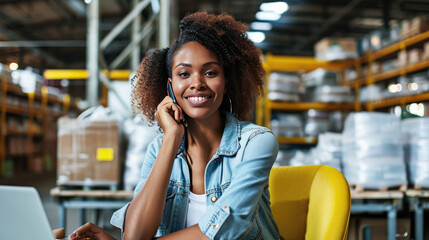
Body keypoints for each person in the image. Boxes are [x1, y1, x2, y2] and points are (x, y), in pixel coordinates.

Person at [69, 12, 280, 240]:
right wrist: (171, 139)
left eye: (210, 72)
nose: (197, 83)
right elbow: (134, 235)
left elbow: (225, 230)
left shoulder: (256, 143)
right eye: (184, 74)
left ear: (226, 83)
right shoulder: (158, 148)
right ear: (170, 87)